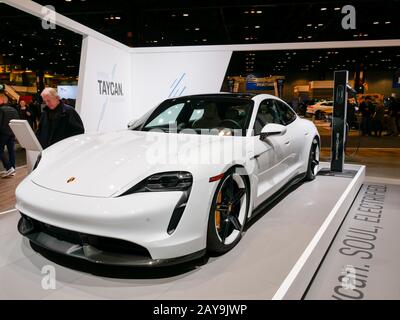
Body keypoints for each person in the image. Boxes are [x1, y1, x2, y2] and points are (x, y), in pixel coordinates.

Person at [0, 94, 20, 178]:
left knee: (0, 150)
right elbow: (17, 121)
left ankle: (8, 167)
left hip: (2, 133)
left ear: (2, 100)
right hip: (12, 133)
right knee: (11, 151)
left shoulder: (1, 109)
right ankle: (12, 169)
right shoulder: (14, 109)